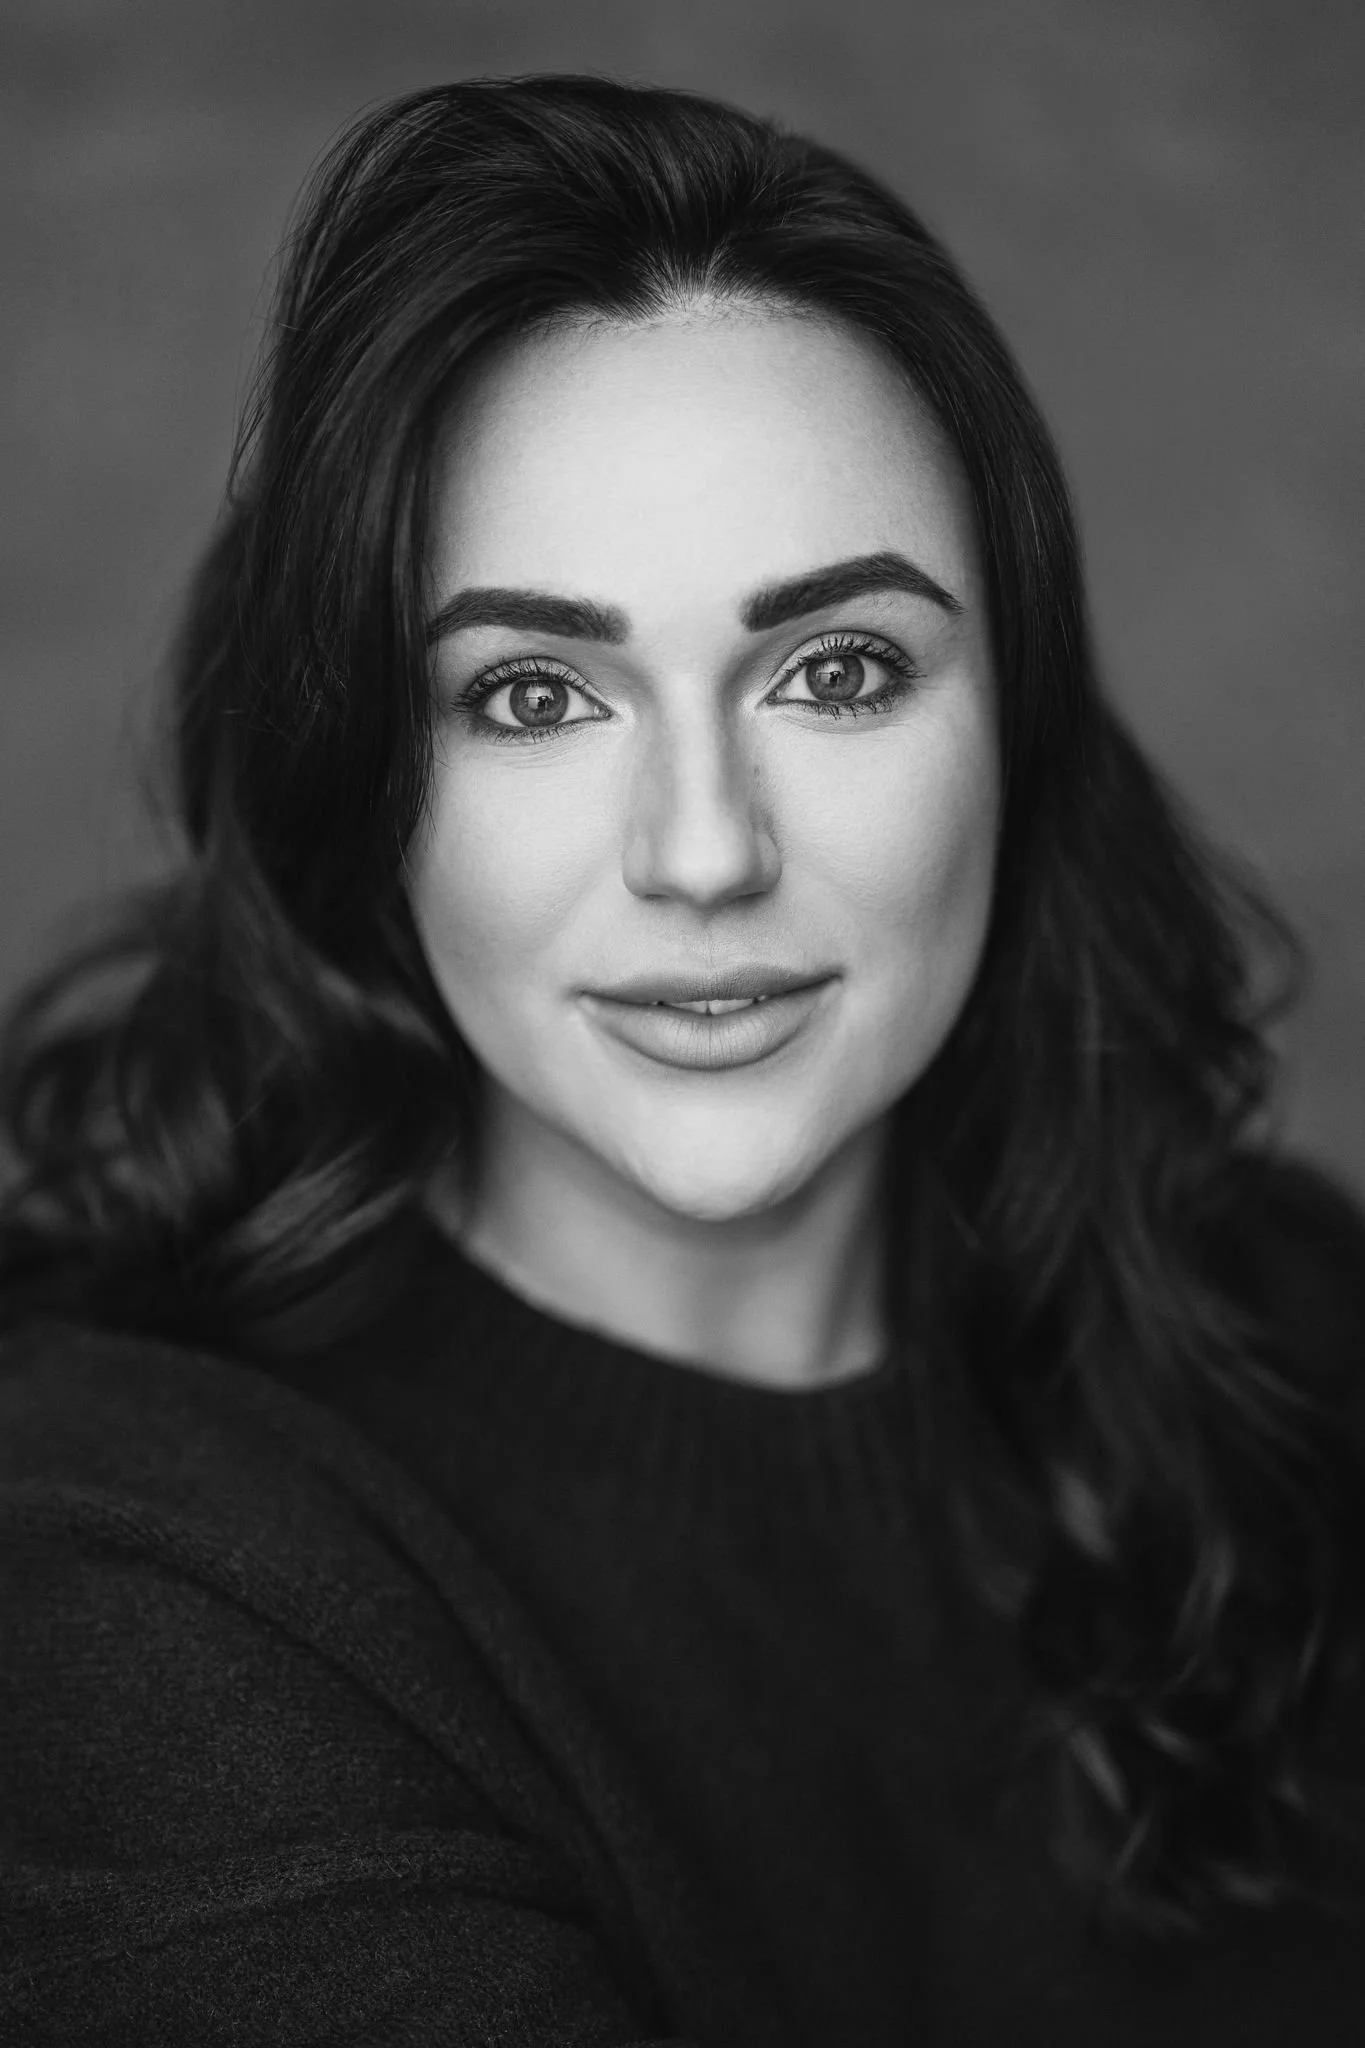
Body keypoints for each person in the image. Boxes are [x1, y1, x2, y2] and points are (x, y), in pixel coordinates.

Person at [1, 73, 1363, 2048]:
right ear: (358, 771)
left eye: (836, 670)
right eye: (532, 693)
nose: (703, 850)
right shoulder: (131, 1566)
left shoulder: (1297, 1343)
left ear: (1019, 725)